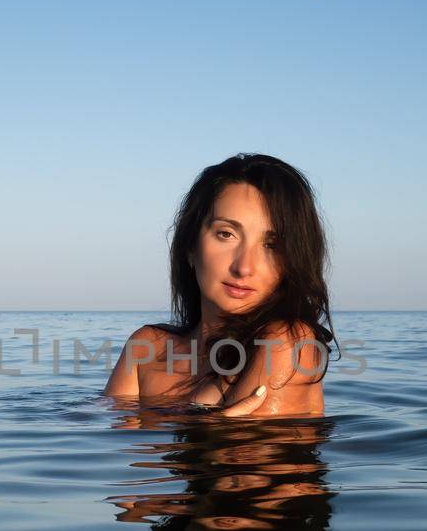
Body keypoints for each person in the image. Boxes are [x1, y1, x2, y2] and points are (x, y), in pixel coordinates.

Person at [102, 153, 336, 416]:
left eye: (272, 245)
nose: (244, 267)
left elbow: (247, 456)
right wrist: (214, 427)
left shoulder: (287, 342)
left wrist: (209, 431)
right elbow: (109, 447)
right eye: (226, 234)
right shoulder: (146, 347)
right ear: (191, 245)